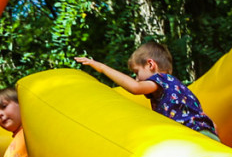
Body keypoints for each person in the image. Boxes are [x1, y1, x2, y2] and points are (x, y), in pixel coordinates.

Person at [75, 42, 220, 140]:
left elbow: (135, 88)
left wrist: (102, 68)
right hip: (209, 136)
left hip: (192, 137)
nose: (137, 79)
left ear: (150, 64)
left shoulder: (160, 80)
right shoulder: (181, 88)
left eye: (137, 72)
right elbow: (212, 122)